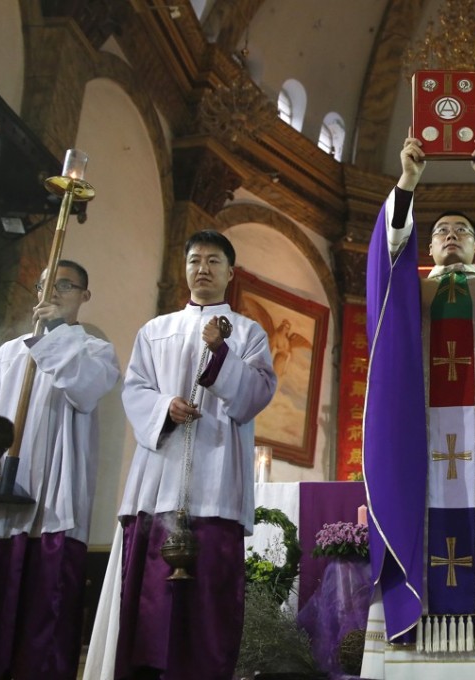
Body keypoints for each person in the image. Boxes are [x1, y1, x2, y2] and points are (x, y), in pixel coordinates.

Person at [360, 133, 475, 680]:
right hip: (420, 442)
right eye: (441, 232)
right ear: (428, 247)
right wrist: (407, 183)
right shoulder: (409, 292)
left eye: (463, 230)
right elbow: (384, 259)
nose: (452, 237)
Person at [115, 230, 276, 679]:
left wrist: (220, 354)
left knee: (208, 606)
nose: (202, 268)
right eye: (194, 260)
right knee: (148, 605)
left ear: (230, 272)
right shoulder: (154, 330)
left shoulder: (248, 332)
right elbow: (135, 390)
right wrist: (164, 407)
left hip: (217, 484)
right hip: (159, 482)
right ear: (184, 268)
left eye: (212, 261)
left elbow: (256, 395)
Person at [0, 260, 120, 680]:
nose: (54, 292)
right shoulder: (7, 354)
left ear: (85, 295)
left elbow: (83, 390)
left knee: (41, 629)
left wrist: (56, 336)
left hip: (51, 511)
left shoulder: (95, 351)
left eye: (66, 285)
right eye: (46, 284)